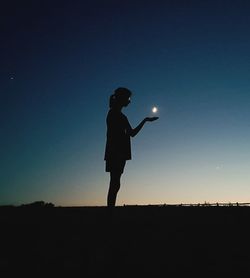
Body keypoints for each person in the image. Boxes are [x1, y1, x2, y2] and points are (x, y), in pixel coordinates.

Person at [104, 87, 159, 208]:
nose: (129, 101)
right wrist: (145, 120)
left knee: (115, 183)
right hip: (116, 152)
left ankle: (110, 210)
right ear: (122, 98)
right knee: (115, 183)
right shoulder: (117, 115)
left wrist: (145, 120)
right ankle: (110, 212)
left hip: (117, 152)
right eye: (128, 98)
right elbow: (132, 133)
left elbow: (130, 133)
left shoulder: (116, 114)